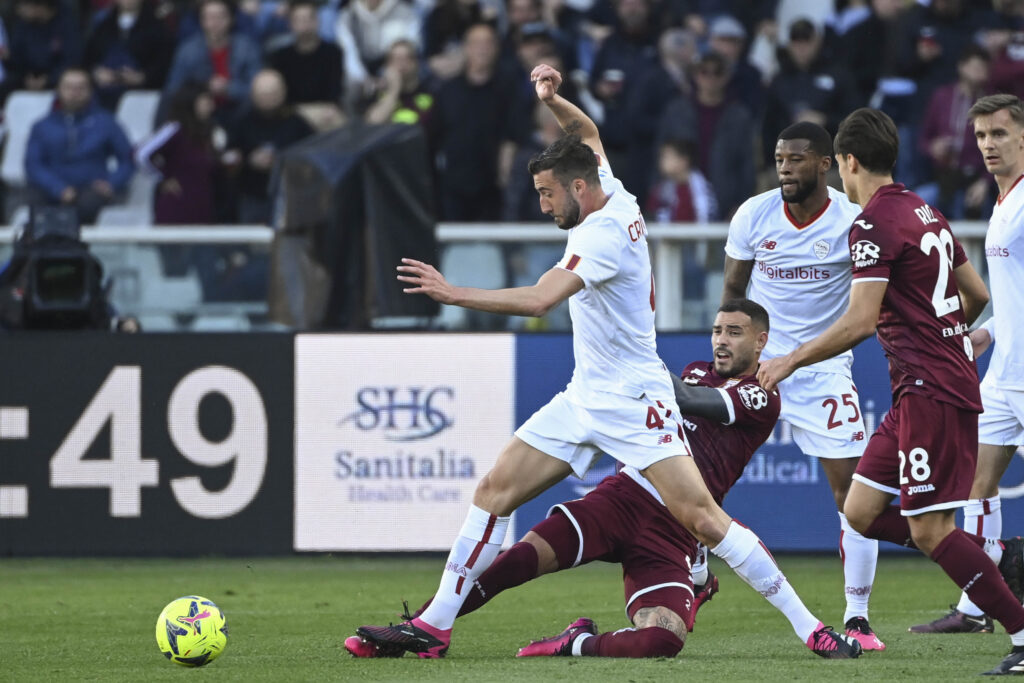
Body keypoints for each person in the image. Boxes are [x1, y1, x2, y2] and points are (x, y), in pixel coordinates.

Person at [348, 63, 861, 661]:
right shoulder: (610, 189)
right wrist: (556, 100)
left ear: (578, 189)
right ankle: (434, 627)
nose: (543, 205)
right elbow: (588, 134)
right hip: (585, 393)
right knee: (494, 490)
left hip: (635, 398)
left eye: (547, 194)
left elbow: (540, 298)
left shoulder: (603, 234)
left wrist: (452, 292)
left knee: (701, 517)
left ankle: (811, 628)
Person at [347, 299, 855, 659]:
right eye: (718, 331)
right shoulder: (696, 369)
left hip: (671, 531)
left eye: (735, 333)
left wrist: (635, 369)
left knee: (664, 641)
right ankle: (424, 626)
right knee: (521, 559)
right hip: (623, 499)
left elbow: (693, 403)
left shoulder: (763, 394)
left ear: (762, 340)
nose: (721, 341)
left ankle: (577, 642)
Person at [757, 107, 1024, 676]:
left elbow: (858, 322)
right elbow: (973, 293)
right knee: (858, 510)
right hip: (921, 387)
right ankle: (982, 556)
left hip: (932, 389)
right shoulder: (926, 211)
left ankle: (1019, 625)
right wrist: (947, 333)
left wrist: (789, 360)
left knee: (929, 528)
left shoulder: (872, 224)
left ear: (848, 162)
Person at [721, 121, 883, 651]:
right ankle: (695, 571)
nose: (785, 168)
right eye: (779, 158)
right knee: (694, 473)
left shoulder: (853, 222)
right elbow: (732, 293)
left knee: (854, 494)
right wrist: (731, 355)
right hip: (759, 366)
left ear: (826, 164)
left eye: (796, 159)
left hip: (821, 369)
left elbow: (873, 303)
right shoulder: (754, 213)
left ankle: (857, 618)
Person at [909, 94, 1024, 635]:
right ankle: (978, 608)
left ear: (1022, 137)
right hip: (1004, 374)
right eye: (980, 136)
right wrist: (988, 332)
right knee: (977, 485)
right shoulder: (1003, 202)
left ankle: (993, 580)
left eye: (999, 134)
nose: (987, 145)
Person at [25, 67, 135, 225]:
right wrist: (59, 189)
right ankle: (42, 247)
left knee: (87, 204)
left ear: (90, 91)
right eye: (69, 87)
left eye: (81, 87)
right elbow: (33, 164)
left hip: (90, 189)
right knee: (35, 200)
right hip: (52, 188)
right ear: (59, 90)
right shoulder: (42, 126)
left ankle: (76, 248)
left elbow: (128, 158)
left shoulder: (105, 122)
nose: (74, 92)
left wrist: (112, 183)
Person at [164, 0, 262, 122]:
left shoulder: (247, 48)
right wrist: (202, 91)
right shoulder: (187, 51)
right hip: (198, 115)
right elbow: (174, 89)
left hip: (240, 112)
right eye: (209, 17)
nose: (215, 23)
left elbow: (258, 88)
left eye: (220, 17)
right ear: (201, 21)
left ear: (231, 19)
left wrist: (228, 89)